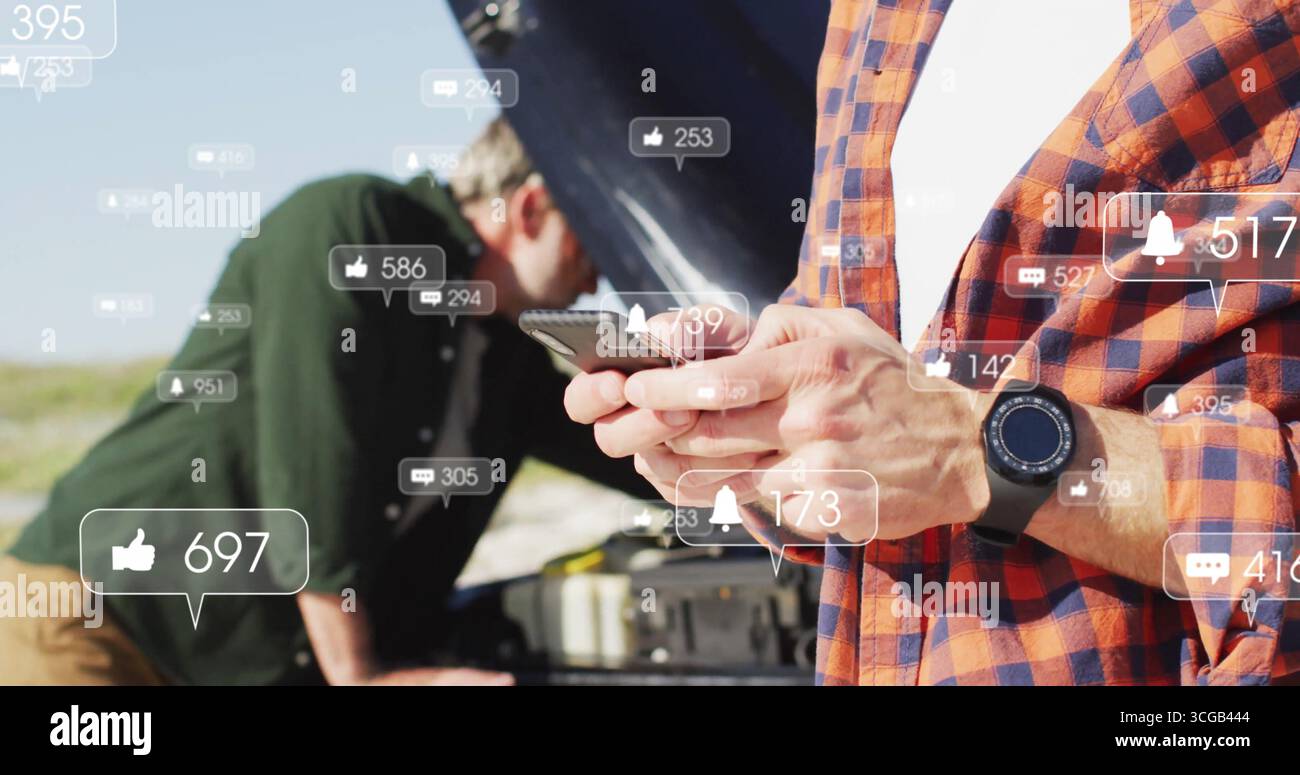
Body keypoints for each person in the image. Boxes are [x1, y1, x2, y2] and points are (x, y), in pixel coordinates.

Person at [564, 0, 1300, 684]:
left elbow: (928, 439)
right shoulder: (872, 21)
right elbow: (865, 466)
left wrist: (971, 449)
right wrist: (742, 427)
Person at [0, 116, 649, 685]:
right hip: (93, 618)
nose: (598, 276)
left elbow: (623, 446)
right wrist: (359, 674)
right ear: (531, 207)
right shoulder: (354, 228)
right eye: (589, 238)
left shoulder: (508, 363)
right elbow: (315, 462)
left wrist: (728, 447)